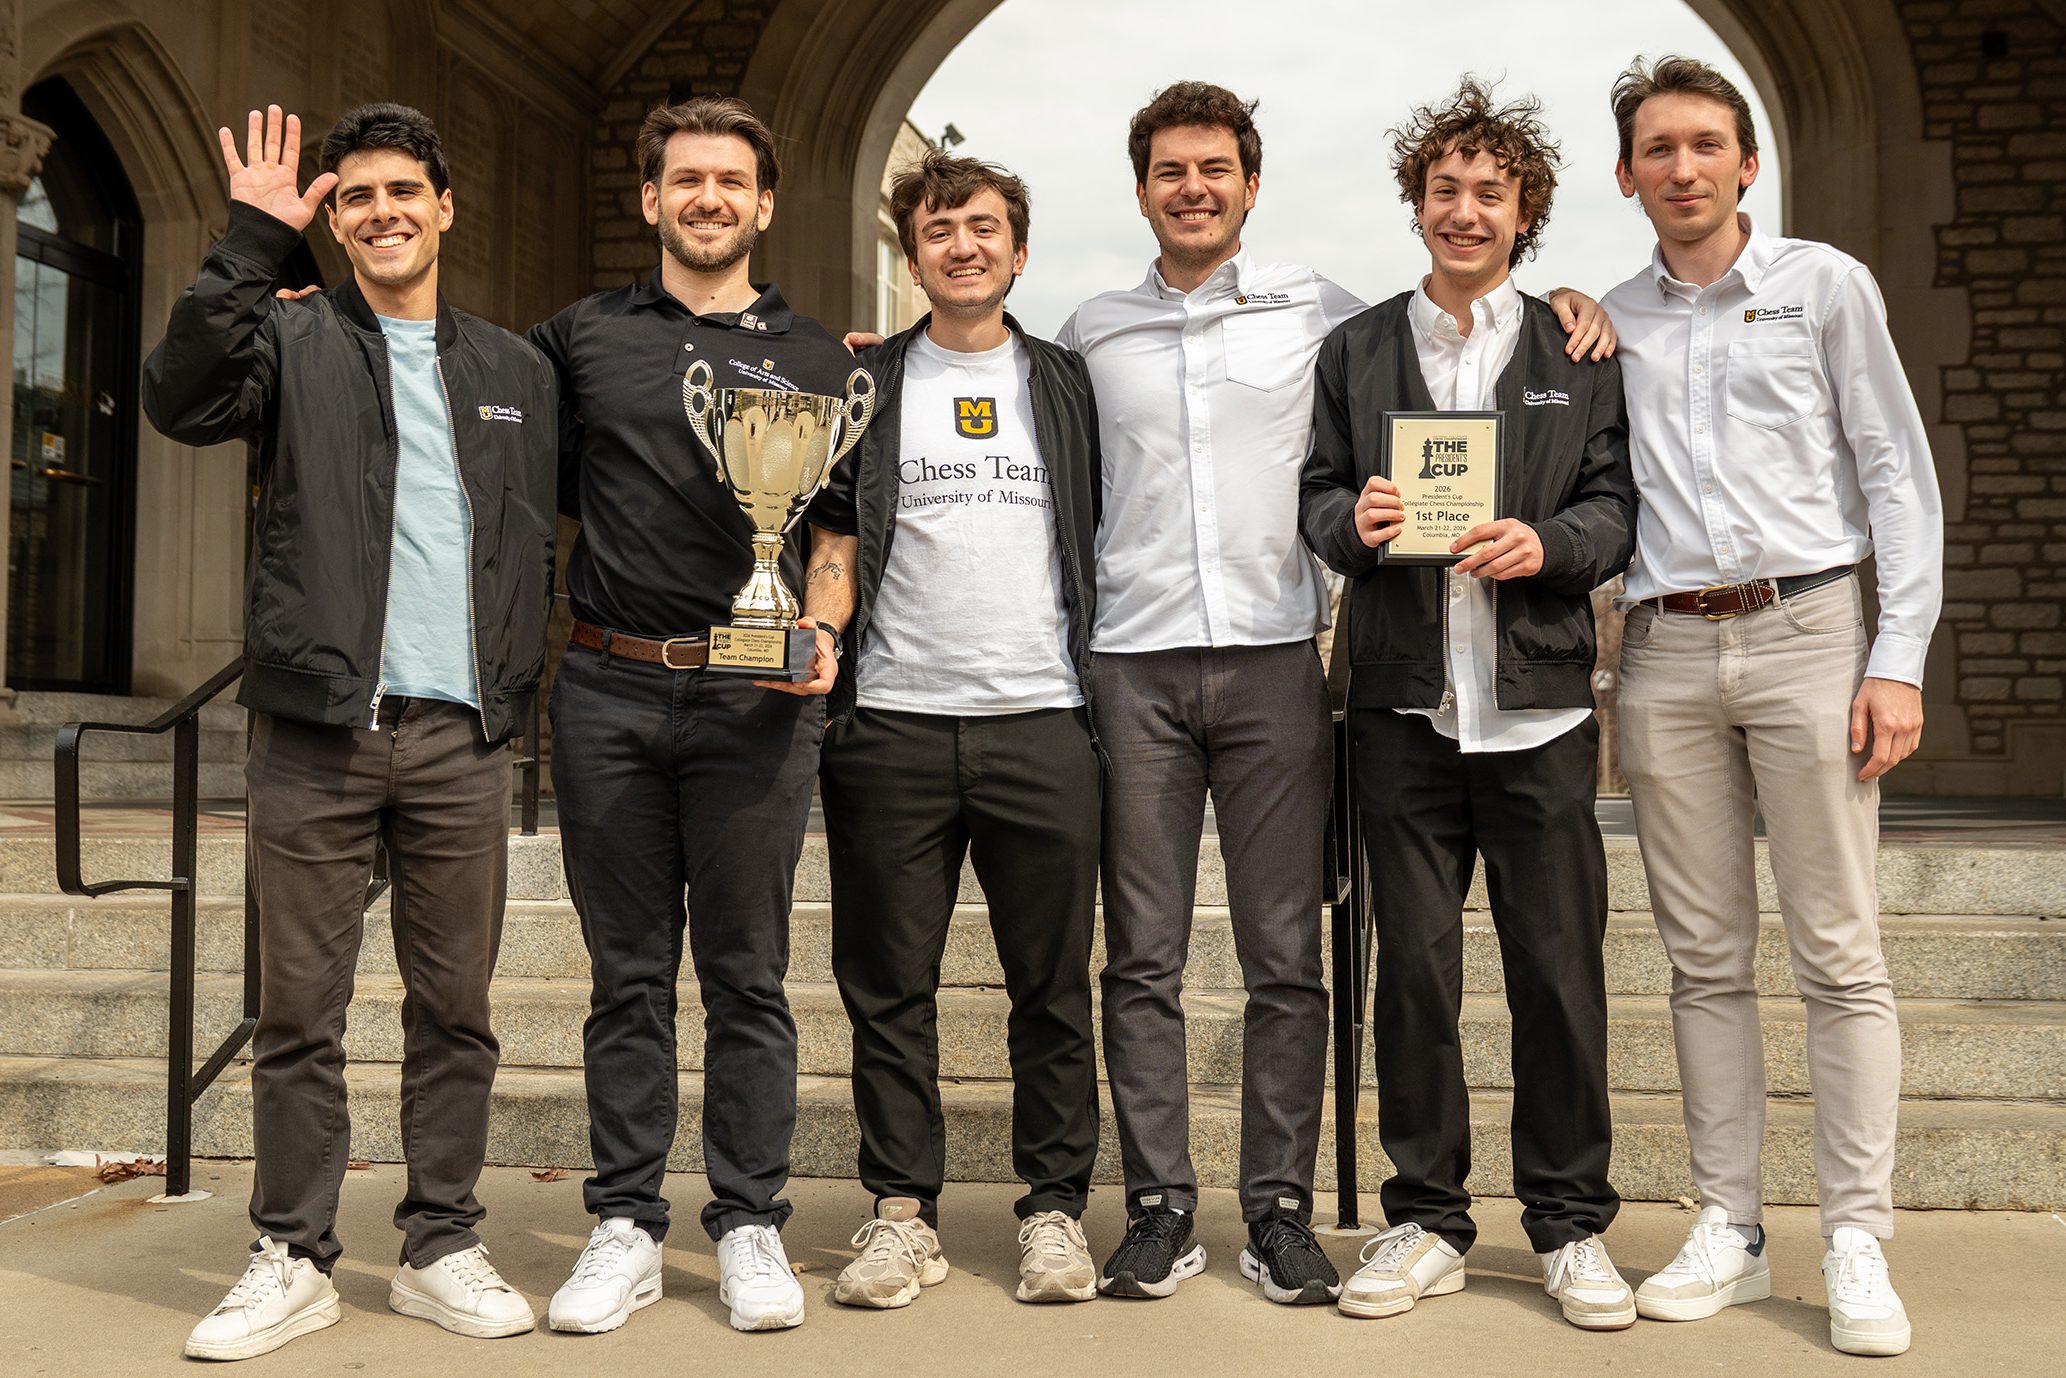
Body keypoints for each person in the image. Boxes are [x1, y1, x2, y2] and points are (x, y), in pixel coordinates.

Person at [1055, 80, 1614, 1306]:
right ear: (1141, 187)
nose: (1192, 187)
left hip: (1288, 664)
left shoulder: (1328, 314)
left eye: (1216, 168)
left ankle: (1290, 1209)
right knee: (1154, 957)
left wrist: (1570, 303)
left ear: (1251, 185)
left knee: (1300, 962)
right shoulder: (1091, 330)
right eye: (1168, 170)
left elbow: (1589, 478)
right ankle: (1163, 1206)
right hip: (1149, 663)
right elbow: (1323, 486)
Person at [143, 102, 556, 1359]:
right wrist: (250, 239)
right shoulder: (289, 336)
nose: (378, 211)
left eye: (399, 191)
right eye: (352, 197)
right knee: (298, 1010)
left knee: (455, 1008)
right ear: (334, 218)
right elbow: (178, 399)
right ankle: (293, 1252)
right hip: (317, 726)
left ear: (444, 206)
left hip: (460, 733)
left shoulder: (516, 371)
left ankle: (440, 1242)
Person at [1601, 55, 1942, 1358]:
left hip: (1809, 629)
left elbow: (1894, 476)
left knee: (1838, 949)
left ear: (1746, 162)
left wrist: (1894, 652)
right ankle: (1729, 1227)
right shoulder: (1609, 318)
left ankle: (1855, 1234)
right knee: (1699, 959)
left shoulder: (1824, 288)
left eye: (1703, 144)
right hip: (1665, 649)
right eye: (1656, 149)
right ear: (1629, 174)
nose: (1680, 167)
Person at [1298, 76, 1636, 1331]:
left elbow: (1614, 510)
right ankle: (1424, 1218)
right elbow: (1316, 494)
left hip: (1539, 709)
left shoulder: (1574, 346)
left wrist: (1543, 545)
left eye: (1488, 192)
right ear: (1415, 205)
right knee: (1416, 978)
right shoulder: (1358, 347)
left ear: (1523, 210)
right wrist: (1355, 524)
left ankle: (1567, 1225)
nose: (1462, 209)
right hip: (1399, 710)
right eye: (1442, 189)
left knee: (1557, 974)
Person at [528, 96, 863, 1335]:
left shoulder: (822, 359)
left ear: (763, 205)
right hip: (610, 683)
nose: (709, 197)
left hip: (755, 703)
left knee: (746, 973)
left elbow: (830, 535)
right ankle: (621, 1217)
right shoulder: (578, 339)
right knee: (626, 975)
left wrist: (819, 631)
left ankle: (750, 1223)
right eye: (687, 179)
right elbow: (483, 423)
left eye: (731, 180)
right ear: (652, 198)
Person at [820, 150, 1103, 1311]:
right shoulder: (862, 383)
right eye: (939, 229)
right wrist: (816, 629)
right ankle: (899, 1214)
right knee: (888, 983)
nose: (963, 245)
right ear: (912, 253)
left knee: (1051, 985)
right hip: (889, 721)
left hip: (1042, 716)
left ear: (1018, 250)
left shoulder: (1074, 385)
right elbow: (830, 532)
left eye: (984, 227)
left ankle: (1052, 1211)